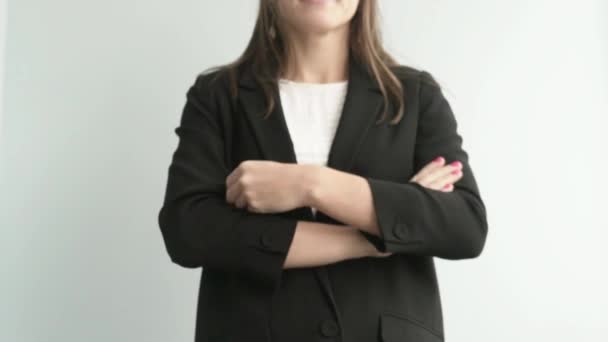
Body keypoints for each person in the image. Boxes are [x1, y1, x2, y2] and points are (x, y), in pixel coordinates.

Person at [157, 0, 488, 341]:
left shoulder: (415, 96)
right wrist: (373, 235)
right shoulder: (218, 96)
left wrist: (310, 183)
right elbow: (188, 231)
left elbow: (464, 225)